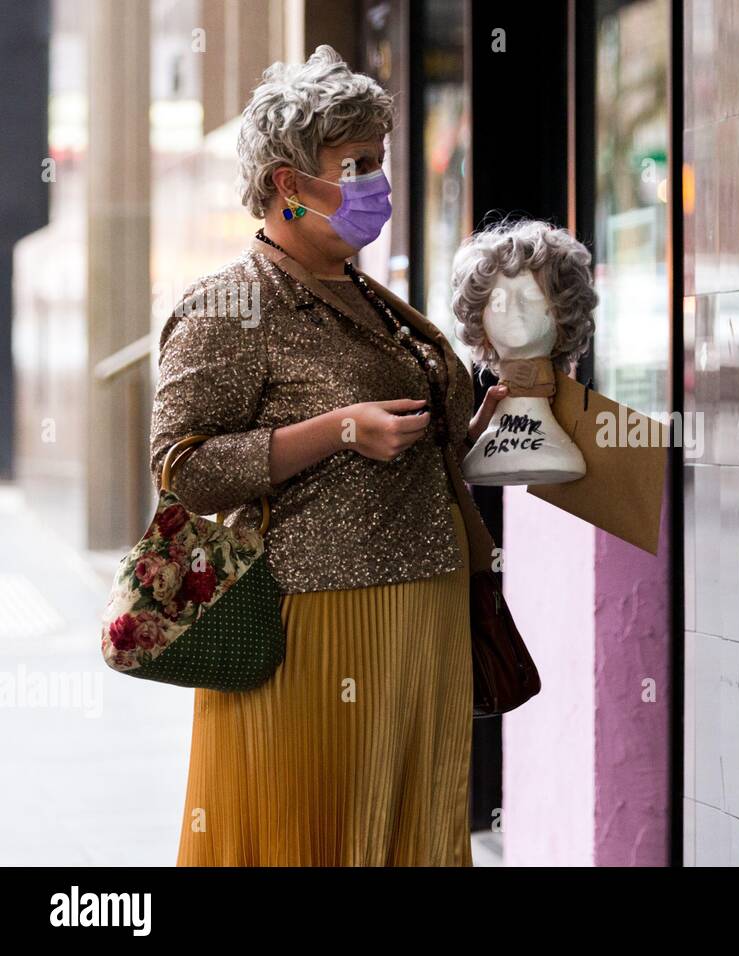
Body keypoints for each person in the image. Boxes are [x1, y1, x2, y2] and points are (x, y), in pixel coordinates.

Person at [148, 44, 507, 866]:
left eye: (379, 161)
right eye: (358, 164)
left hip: (426, 603)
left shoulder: (377, 301)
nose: (376, 183)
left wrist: (504, 411)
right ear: (287, 182)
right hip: (314, 617)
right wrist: (339, 429)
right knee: (314, 830)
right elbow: (183, 468)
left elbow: (442, 443)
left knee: (412, 831)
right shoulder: (230, 306)